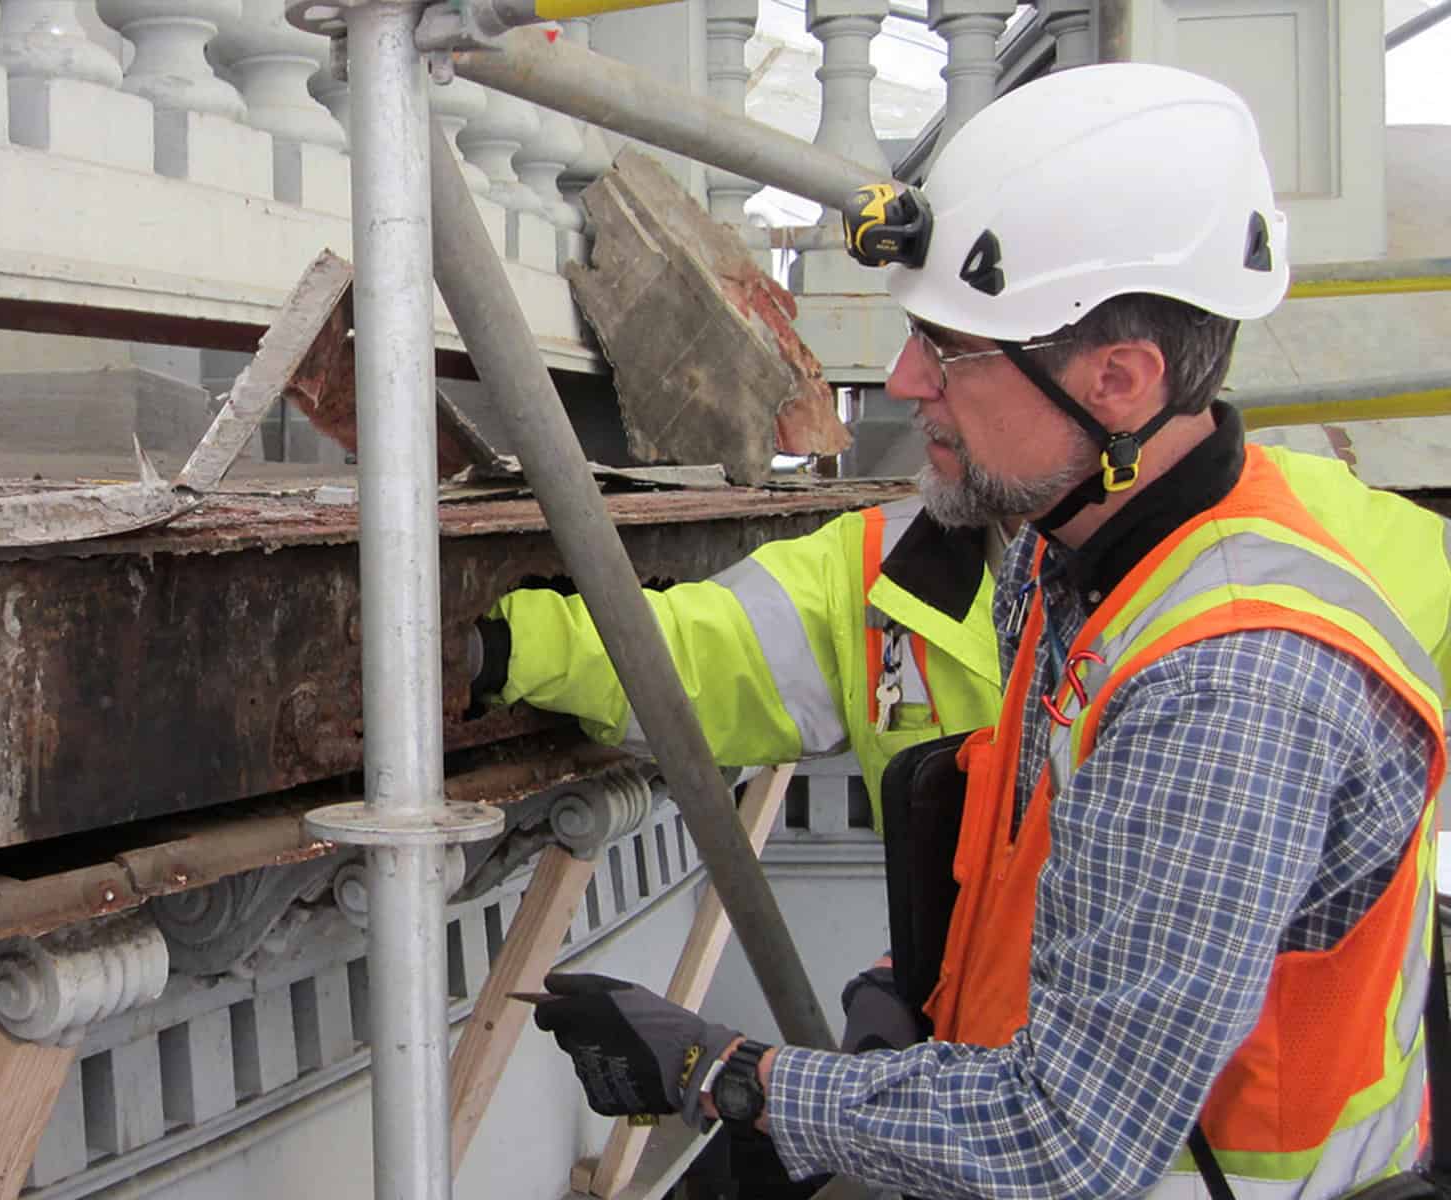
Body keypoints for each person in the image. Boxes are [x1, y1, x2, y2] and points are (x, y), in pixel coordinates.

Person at [516, 63, 1447, 1200]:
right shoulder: (1077, 559)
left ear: (1119, 380)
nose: (907, 380)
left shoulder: (1229, 679)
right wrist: (930, 980)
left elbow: (1065, 1140)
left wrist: (731, 1075)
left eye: (951, 349)